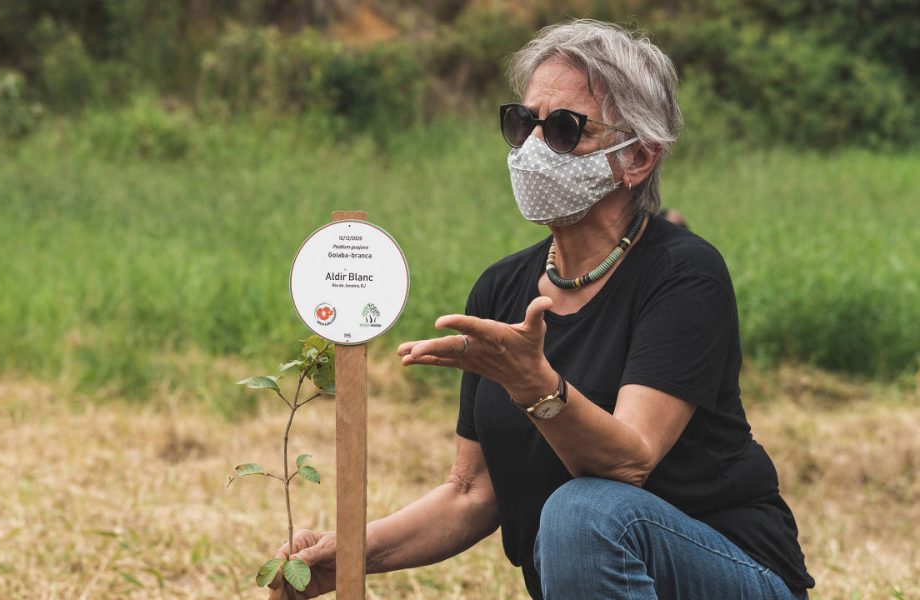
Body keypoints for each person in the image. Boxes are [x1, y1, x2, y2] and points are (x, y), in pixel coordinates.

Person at [270, 19, 814, 599]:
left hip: (736, 570)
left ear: (638, 158)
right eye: (522, 123)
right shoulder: (501, 288)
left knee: (584, 511)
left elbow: (629, 464)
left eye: (564, 129)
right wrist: (347, 555)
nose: (533, 148)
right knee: (579, 514)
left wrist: (534, 385)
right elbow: (470, 493)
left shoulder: (683, 274)